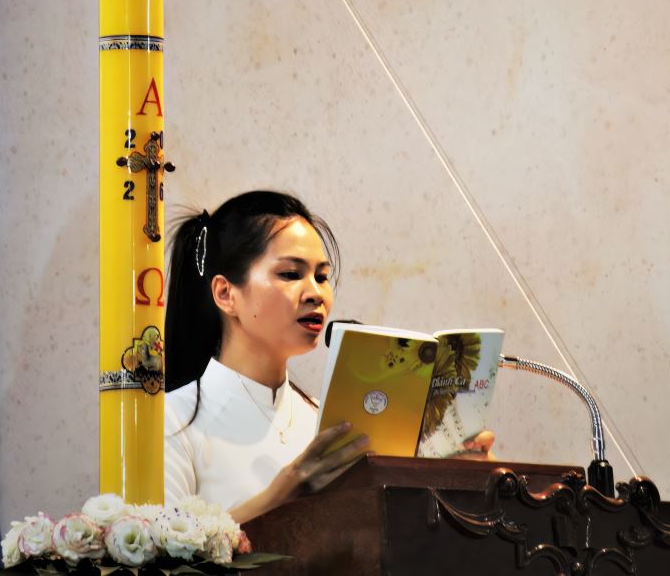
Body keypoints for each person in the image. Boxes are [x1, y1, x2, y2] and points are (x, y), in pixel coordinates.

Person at [162, 190, 492, 523]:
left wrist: (454, 477)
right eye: (291, 274)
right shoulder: (169, 420)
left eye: (321, 277)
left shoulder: (331, 422)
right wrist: (281, 496)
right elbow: (160, 551)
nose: (316, 293)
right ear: (225, 294)